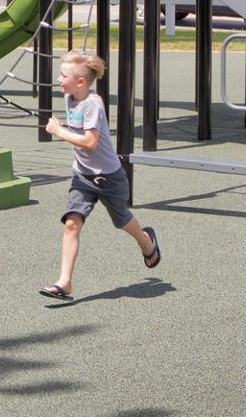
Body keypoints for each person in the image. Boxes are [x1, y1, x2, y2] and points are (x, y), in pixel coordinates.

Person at [39, 50, 161, 303]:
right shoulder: (69, 95)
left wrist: (58, 131)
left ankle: (146, 241)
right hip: (82, 176)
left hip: (109, 177)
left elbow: (90, 142)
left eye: (63, 76)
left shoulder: (93, 104)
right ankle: (64, 282)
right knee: (72, 222)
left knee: (123, 222)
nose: (59, 80)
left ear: (81, 82)